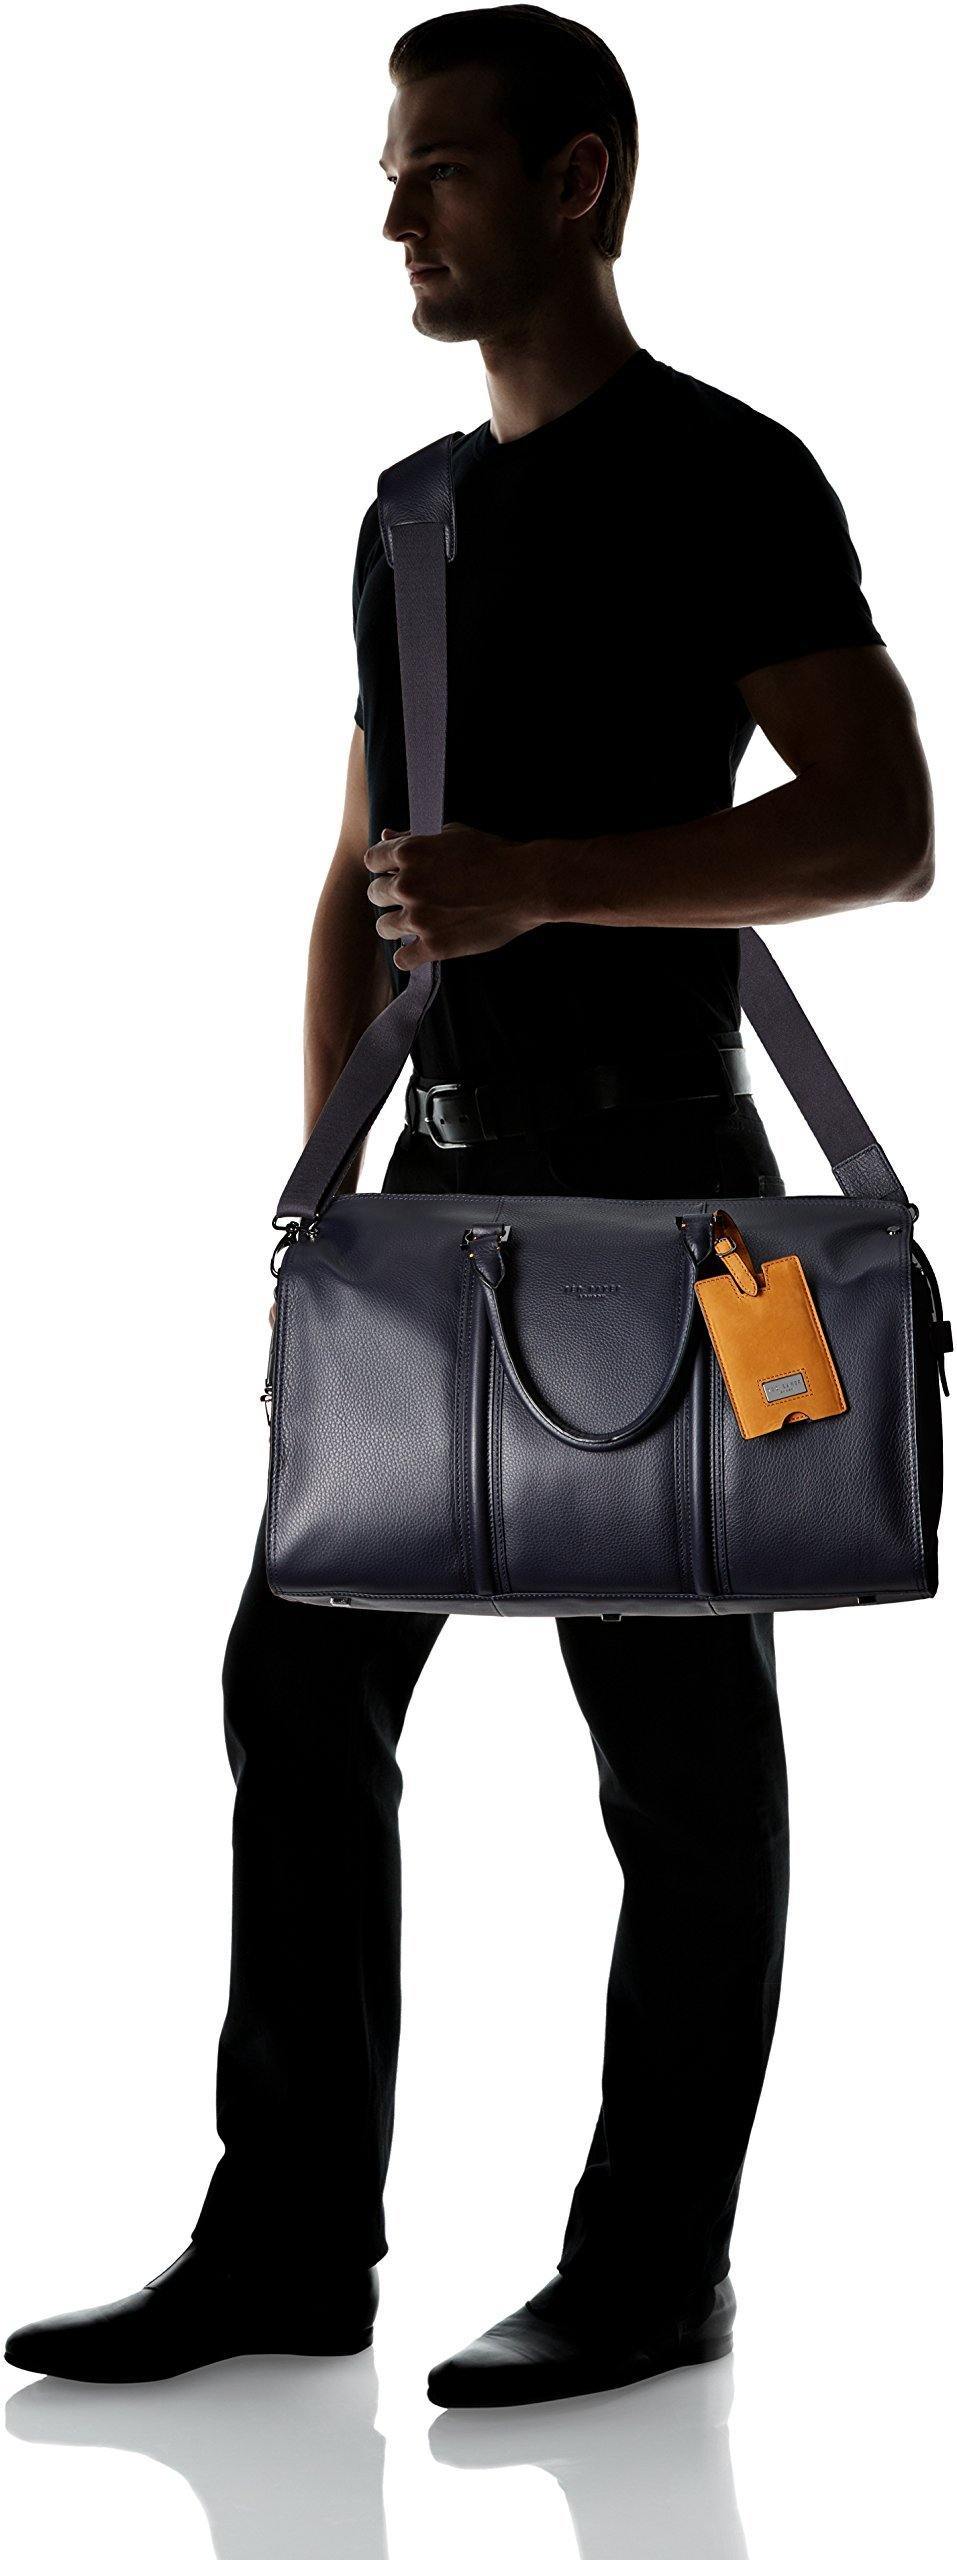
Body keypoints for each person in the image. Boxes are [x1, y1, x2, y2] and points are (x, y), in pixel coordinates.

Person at [6, 5, 933, 2406]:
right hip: (434, 1199)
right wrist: (325, 1198)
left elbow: (878, 829)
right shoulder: (406, 515)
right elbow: (359, 871)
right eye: (390, 170)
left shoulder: (727, 471)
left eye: (433, 167)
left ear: (575, 180)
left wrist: (552, 880)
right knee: (292, 1678)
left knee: (678, 1742)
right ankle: (288, 2240)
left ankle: (650, 2269)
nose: (391, 211)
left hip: (678, 1200)